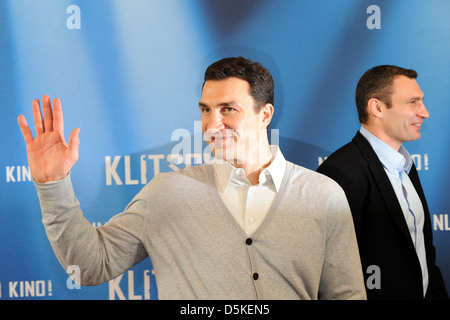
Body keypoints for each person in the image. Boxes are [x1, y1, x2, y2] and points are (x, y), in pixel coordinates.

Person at [18, 57, 366, 300]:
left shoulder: (324, 196)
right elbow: (91, 265)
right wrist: (53, 185)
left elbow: (346, 294)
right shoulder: (167, 193)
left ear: (265, 114)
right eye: (205, 110)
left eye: (228, 109)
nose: (212, 125)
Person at [317, 65, 449, 300]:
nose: (424, 112)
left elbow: (424, 256)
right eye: (413, 102)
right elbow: (332, 272)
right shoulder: (340, 173)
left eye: (422, 102)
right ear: (377, 107)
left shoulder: (405, 166)